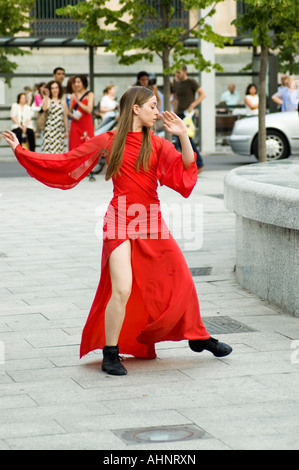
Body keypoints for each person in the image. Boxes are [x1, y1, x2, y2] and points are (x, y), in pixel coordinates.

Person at [2, 86, 232, 376]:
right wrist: (22, 152)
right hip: (120, 219)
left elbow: (187, 167)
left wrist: (183, 134)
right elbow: (67, 162)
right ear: (135, 108)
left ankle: (198, 337)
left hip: (150, 220)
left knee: (182, 281)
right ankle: (110, 353)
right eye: (151, 106)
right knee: (121, 288)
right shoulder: (109, 141)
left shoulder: (159, 144)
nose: (156, 112)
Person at [173, 65, 205, 174]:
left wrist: (193, 104)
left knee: (187, 140)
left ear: (185, 71)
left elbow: (203, 94)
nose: (177, 75)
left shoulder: (191, 82)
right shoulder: (177, 83)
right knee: (179, 141)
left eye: (179, 72)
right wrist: (174, 109)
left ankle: (199, 164)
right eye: (176, 73)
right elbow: (176, 98)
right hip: (179, 113)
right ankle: (188, 165)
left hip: (188, 115)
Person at [41, 80, 68, 153]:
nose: (55, 90)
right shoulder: (48, 100)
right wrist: (46, 95)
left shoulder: (63, 102)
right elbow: (44, 108)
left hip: (59, 130)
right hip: (50, 129)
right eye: (53, 88)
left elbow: (65, 117)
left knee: (59, 152)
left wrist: (66, 130)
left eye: (56, 88)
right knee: (49, 151)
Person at [68, 74, 94, 150]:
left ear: (83, 83)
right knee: (74, 147)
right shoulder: (73, 95)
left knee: (87, 147)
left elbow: (89, 110)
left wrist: (78, 102)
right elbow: (69, 112)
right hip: (75, 124)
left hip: (86, 124)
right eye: (75, 82)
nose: (76, 84)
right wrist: (73, 116)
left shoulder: (90, 94)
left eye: (78, 82)